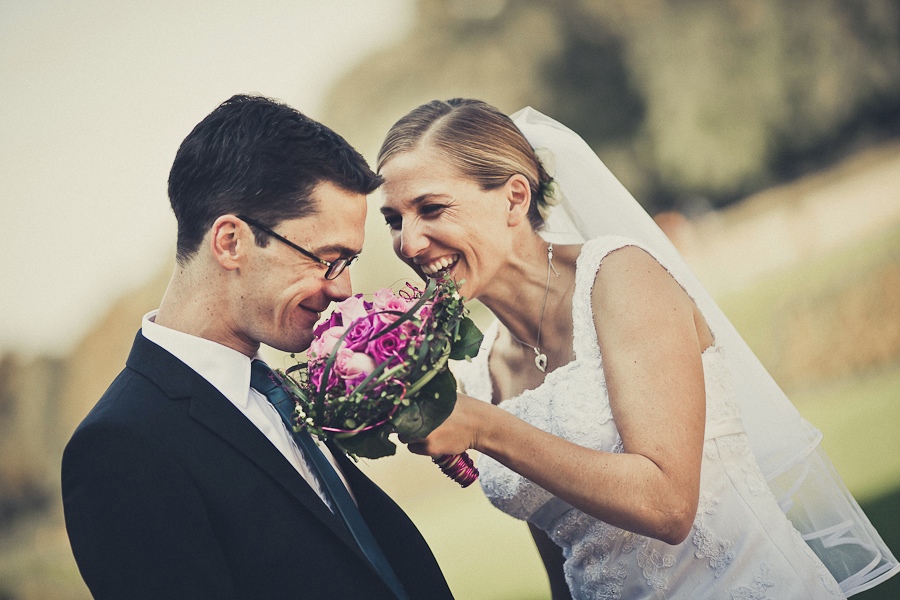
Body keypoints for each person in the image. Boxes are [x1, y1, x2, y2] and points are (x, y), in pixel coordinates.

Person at [377, 99, 899, 599]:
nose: (410, 242)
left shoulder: (620, 276)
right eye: (395, 220)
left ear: (515, 196)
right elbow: (564, 548)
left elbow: (669, 504)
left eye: (432, 208)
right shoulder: (475, 377)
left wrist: (486, 430)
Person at [61, 94, 454, 600]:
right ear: (231, 242)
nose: (344, 289)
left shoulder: (281, 391)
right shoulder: (120, 448)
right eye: (328, 258)